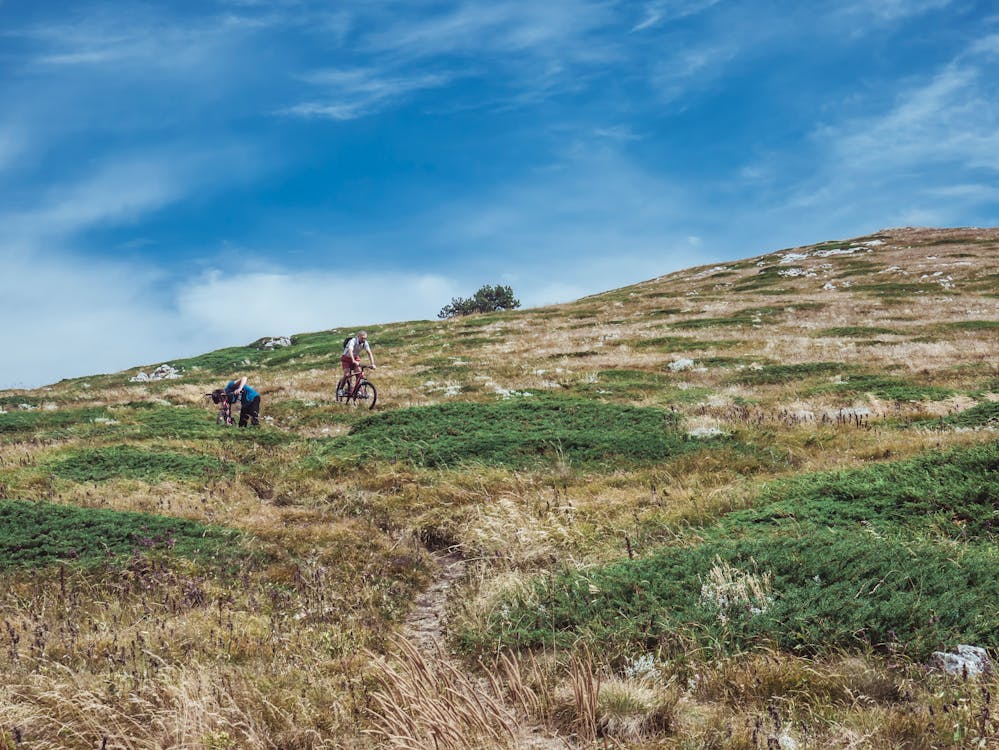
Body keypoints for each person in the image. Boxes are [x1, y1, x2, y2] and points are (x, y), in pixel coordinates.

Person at [339, 330, 376, 395]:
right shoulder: (352, 341)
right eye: (362, 338)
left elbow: (369, 353)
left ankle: (358, 390)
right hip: (346, 358)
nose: (364, 340)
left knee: (359, 374)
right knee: (347, 374)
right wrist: (353, 360)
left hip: (355, 358)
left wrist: (372, 364)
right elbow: (350, 350)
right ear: (358, 336)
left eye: (365, 338)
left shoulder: (365, 343)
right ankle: (340, 389)